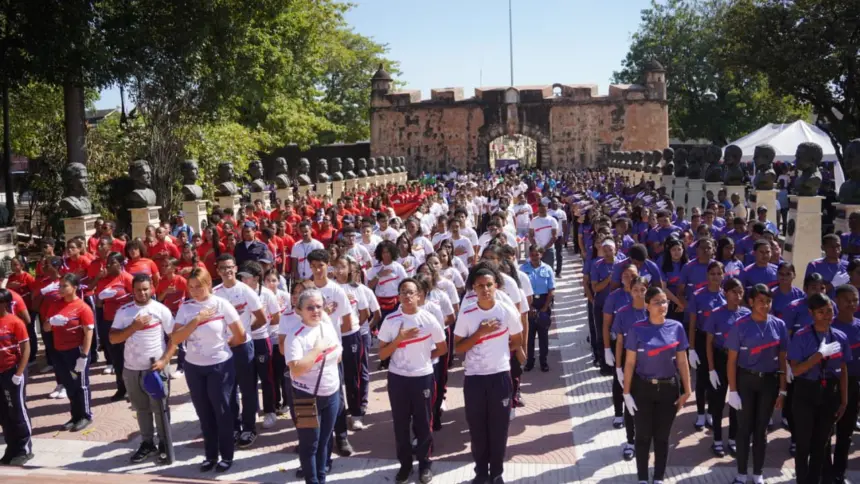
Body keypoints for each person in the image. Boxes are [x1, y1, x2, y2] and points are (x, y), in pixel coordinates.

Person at [454, 263, 524, 484]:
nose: (485, 289)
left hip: (500, 377)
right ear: (473, 288)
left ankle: (497, 473)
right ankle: (480, 473)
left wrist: (500, 353)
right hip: (474, 377)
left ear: (497, 286)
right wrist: (480, 333)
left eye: (489, 285)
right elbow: (458, 347)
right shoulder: (467, 313)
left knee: (499, 427)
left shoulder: (506, 311)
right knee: (477, 427)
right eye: (480, 286)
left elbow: (517, 340)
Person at [172, 267, 245, 472]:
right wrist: (197, 320)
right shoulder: (186, 308)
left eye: (199, 287)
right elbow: (176, 338)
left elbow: (240, 335)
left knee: (221, 411)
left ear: (208, 285)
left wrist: (223, 348)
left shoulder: (222, 304)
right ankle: (210, 455)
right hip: (194, 367)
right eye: (191, 287)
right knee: (204, 413)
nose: (195, 291)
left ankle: (227, 455)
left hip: (219, 366)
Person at [377, 278, 447, 484]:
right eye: (403, 292)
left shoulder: (428, 319)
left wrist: (426, 357)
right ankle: (405, 465)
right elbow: (382, 354)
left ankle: (425, 465)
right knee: (400, 425)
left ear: (419, 295)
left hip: (423, 378)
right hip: (398, 378)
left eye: (411, 292)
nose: (407, 296)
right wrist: (399, 339)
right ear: (398, 296)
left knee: (424, 423)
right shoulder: (391, 321)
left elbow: (442, 349)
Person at [622, 286, 692, 484]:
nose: (662, 306)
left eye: (664, 302)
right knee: (643, 436)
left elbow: (682, 361)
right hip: (643, 388)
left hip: (668, 389)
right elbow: (629, 363)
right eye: (657, 302)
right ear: (647, 306)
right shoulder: (637, 329)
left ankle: (659, 477)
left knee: (662, 437)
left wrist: (687, 389)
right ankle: (643, 478)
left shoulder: (676, 328)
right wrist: (626, 392)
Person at [109, 274, 176, 464]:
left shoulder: (160, 310)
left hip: (155, 368)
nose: (142, 293)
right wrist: (134, 327)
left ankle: (165, 443)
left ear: (152, 288)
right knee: (141, 409)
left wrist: (165, 360)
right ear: (133, 290)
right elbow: (114, 338)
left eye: (146, 289)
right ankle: (147, 443)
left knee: (160, 408)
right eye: (138, 289)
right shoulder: (124, 311)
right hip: (131, 368)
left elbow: (174, 339)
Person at [726, 284, 788, 484]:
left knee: (761, 429)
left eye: (768, 301)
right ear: (751, 302)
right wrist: (733, 390)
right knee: (744, 428)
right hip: (746, 380)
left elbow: (782, 359)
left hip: (769, 382)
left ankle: (758, 473)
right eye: (760, 301)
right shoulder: (740, 325)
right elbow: (731, 361)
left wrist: (783, 389)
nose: (765, 305)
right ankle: (741, 474)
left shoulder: (779, 325)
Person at [788, 292, 851, 484]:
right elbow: (796, 370)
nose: (827, 315)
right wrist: (818, 356)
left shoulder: (840, 336)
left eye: (829, 311)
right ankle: (802, 479)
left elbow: (843, 369)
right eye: (821, 312)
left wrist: (844, 399)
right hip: (806, 391)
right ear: (812, 313)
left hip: (829, 393)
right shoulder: (802, 336)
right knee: (804, 444)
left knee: (821, 444)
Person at [285, 288, 343, 484]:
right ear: (299, 310)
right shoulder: (295, 336)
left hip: (332, 394)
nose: (316, 310)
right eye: (310, 307)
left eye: (319, 306)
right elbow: (296, 369)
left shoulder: (326, 325)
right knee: (310, 444)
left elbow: (338, 354)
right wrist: (318, 349)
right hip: (306, 397)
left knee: (325, 442)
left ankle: (322, 479)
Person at [213, 254, 266, 449]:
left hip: (244, 347)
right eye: (222, 268)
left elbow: (262, 318)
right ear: (217, 271)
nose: (227, 271)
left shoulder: (246, 291)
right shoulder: (214, 293)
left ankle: (249, 427)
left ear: (235, 268)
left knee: (248, 389)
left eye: (230, 267)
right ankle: (234, 425)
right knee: (227, 389)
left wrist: (243, 332)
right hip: (224, 348)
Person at [703, 277, 749, 457]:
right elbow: (709, 343)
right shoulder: (716, 313)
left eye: (740, 292)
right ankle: (717, 440)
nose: (738, 296)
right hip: (721, 360)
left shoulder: (746, 313)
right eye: (734, 292)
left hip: (740, 362)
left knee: (736, 402)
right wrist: (711, 369)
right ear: (725, 293)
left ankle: (732, 438)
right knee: (717, 402)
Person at [46, 274, 96, 431]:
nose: (60, 289)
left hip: (76, 351)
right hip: (59, 351)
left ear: (74, 288)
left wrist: (84, 356)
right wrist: (51, 322)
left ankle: (86, 415)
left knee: (81, 385)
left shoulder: (82, 307)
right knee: (68, 384)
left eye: (64, 286)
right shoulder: (55, 305)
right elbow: (46, 328)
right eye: (60, 286)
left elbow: (89, 333)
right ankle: (75, 416)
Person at [237, 261, 281, 430]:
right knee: (247, 378)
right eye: (241, 276)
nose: (242, 279)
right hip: (243, 341)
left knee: (267, 377)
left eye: (246, 277)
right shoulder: (239, 293)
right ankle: (251, 409)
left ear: (256, 279)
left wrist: (262, 327)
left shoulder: (267, 294)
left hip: (262, 339)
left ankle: (270, 411)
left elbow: (276, 317)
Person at [610, 276, 649, 461]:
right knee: (630, 402)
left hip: (649, 362)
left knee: (647, 404)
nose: (639, 293)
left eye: (643, 290)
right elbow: (619, 341)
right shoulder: (623, 313)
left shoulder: (654, 311)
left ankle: (645, 439)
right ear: (630, 291)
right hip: (629, 361)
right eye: (636, 290)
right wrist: (618, 367)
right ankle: (631, 441)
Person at [686, 261, 726, 430]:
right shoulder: (698, 295)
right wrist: (692, 348)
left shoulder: (727, 296)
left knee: (717, 382)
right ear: (707, 275)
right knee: (702, 380)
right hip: (703, 341)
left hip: (720, 343)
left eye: (719, 273)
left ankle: (711, 412)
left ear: (723, 275)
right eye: (712, 274)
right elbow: (693, 323)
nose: (715, 277)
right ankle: (701, 413)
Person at [830, 284, 860, 482]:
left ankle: (838, 473)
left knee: (845, 434)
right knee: (824, 431)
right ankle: (823, 470)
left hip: (853, 384)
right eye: (846, 300)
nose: (851, 304)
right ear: (837, 302)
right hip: (830, 383)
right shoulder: (829, 327)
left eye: (854, 300)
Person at [94, 252, 134, 400]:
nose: (108, 266)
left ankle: (132, 388)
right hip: (109, 322)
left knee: (127, 357)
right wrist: (102, 297)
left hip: (126, 323)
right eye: (107, 263)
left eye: (111, 263)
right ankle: (121, 387)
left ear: (119, 263)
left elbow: (136, 299)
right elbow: (98, 304)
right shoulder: (105, 280)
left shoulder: (127, 278)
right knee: (115, 357)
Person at [0, 288, 33, 465]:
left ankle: (24, 449)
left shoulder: (14, 322)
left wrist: (19, 373)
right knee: (4, 413)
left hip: (12, 371)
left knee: (17, 411)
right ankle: (11, 448)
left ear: (4, 304)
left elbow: (26, 348)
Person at [520, 245, 555, 373]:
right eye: (532, 254)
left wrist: (545, 308)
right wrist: (529, 307)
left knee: (543, 336)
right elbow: (520, 291)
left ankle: (543, 362)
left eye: (537, 254)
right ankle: (529, 362)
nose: (534, 257)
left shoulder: (548, 269)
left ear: (541, 254)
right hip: (529, 305)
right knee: (529, 337)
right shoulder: (523, 269)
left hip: (543, 304)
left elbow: (551, 290)